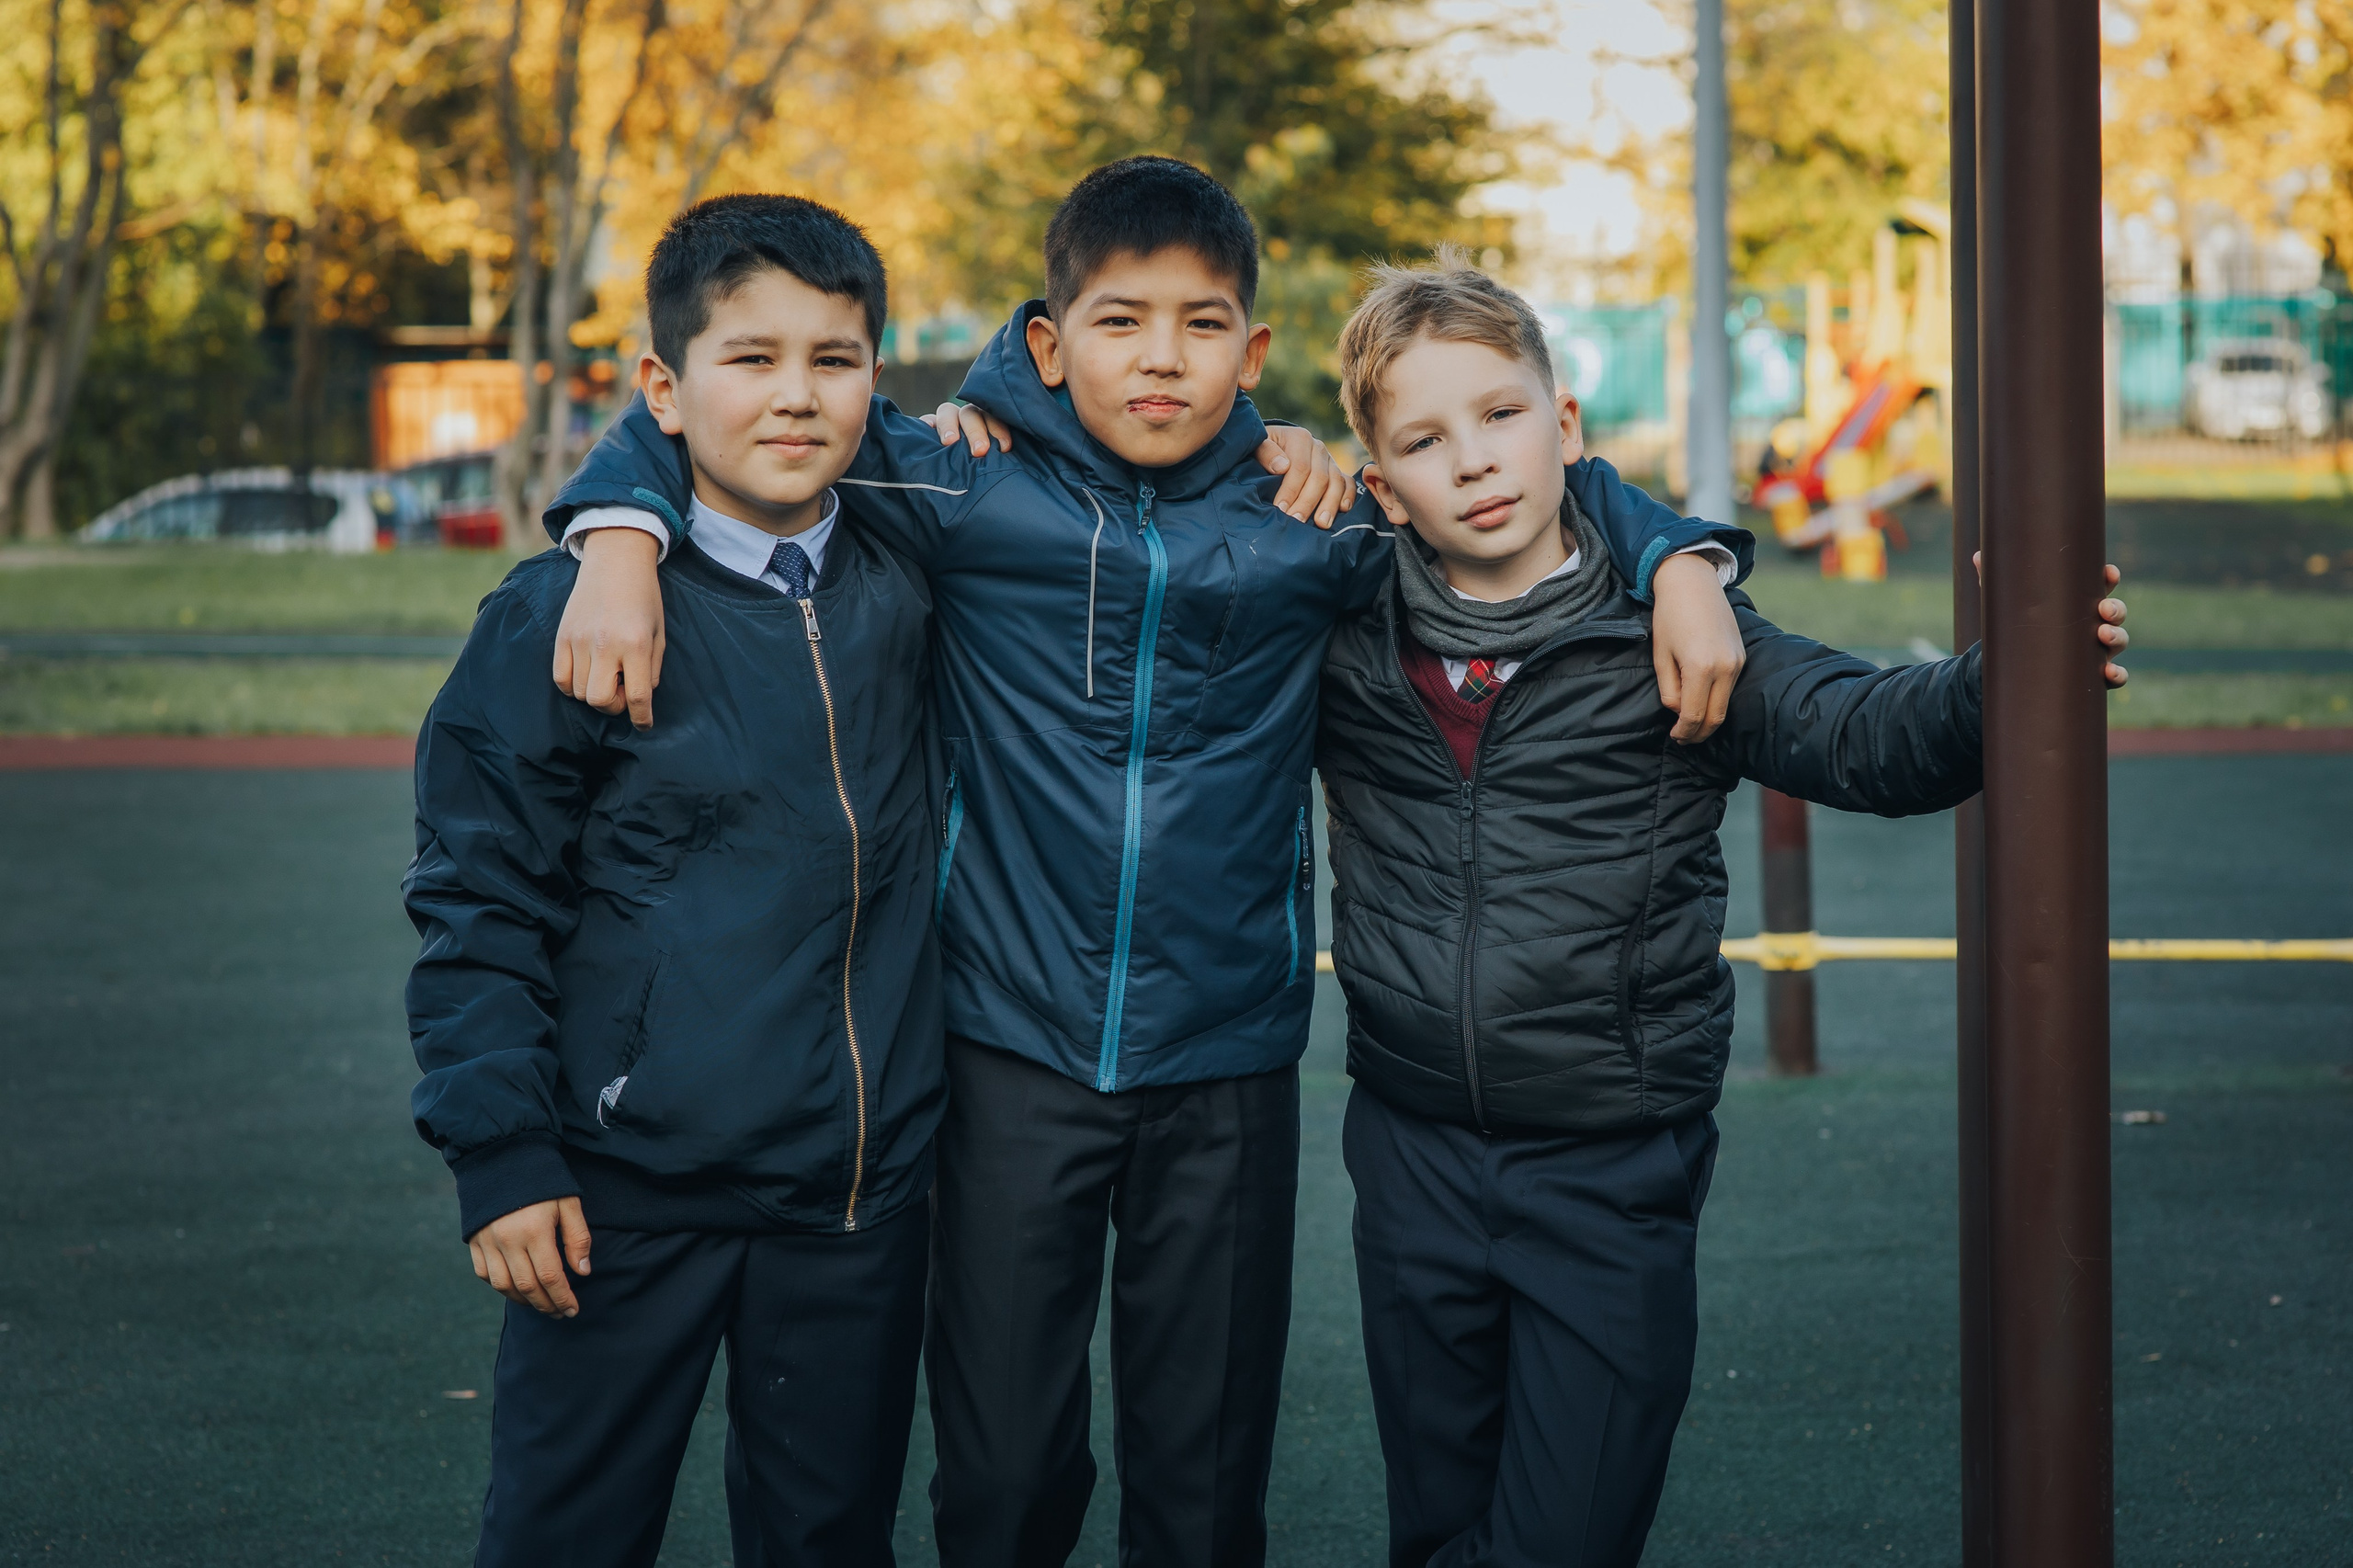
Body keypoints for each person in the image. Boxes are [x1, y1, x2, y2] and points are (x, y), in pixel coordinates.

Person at [542, 157, 1756, 1568]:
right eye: (1120, 323)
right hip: (1007, 1049)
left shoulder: (1319, 519)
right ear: (1051, 344)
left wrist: (1684, 560)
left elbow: (1527, 476)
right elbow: (734, 424)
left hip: (1225, 1058)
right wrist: (616, 533)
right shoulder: (957, 483)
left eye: (1201, 326)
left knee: (1201, 1477)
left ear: (1250, 352)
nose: (1161, 359)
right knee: (1002, 1474)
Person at [1313, 253, 2131, 1568]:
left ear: (1565, 428)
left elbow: (1861, 732)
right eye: (1424, 438)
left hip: (1607, 1160)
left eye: (1501, 413)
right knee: (1440, 1525)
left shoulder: (1676, 627)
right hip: (1409, 1154)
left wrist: (2007, 674)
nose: (1472, 457)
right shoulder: (1343, 628)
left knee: (1560, 1539)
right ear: (1383, 482)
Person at [403, 194, 947, 1568]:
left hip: (850, 1197)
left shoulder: (913, 577)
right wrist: (505, 1153)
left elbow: (1083, 405)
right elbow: (479, 898)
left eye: (834, 358)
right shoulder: (563, 613)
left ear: (877, 379)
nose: (795, 395)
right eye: (748, 357)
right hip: (618, 1191)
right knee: (565, 1537)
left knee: (829, 1537)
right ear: (664, 384)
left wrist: (1283, 440)